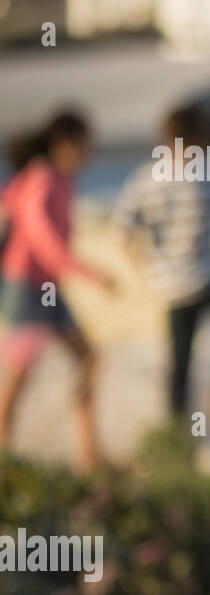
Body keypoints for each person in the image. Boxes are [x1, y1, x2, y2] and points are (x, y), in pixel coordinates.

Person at [112, 104, 210, 426]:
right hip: (206, 281)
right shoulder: (205, 177)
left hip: (169, 287)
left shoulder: (146, 179)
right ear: (201, 140)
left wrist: (143, 272)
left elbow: (121, 232)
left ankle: (177, 427)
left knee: (180, 362)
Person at [0, 110, 115, 474]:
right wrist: (86, 272)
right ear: (63, 143)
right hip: (28, 288)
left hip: (46, 288)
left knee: (88, 360)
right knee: (20, 375)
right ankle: (4, 455)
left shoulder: (53, 180)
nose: (87, 155)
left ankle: (88, 455)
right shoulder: (43, 179)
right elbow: (40, 236)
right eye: (83, 146)